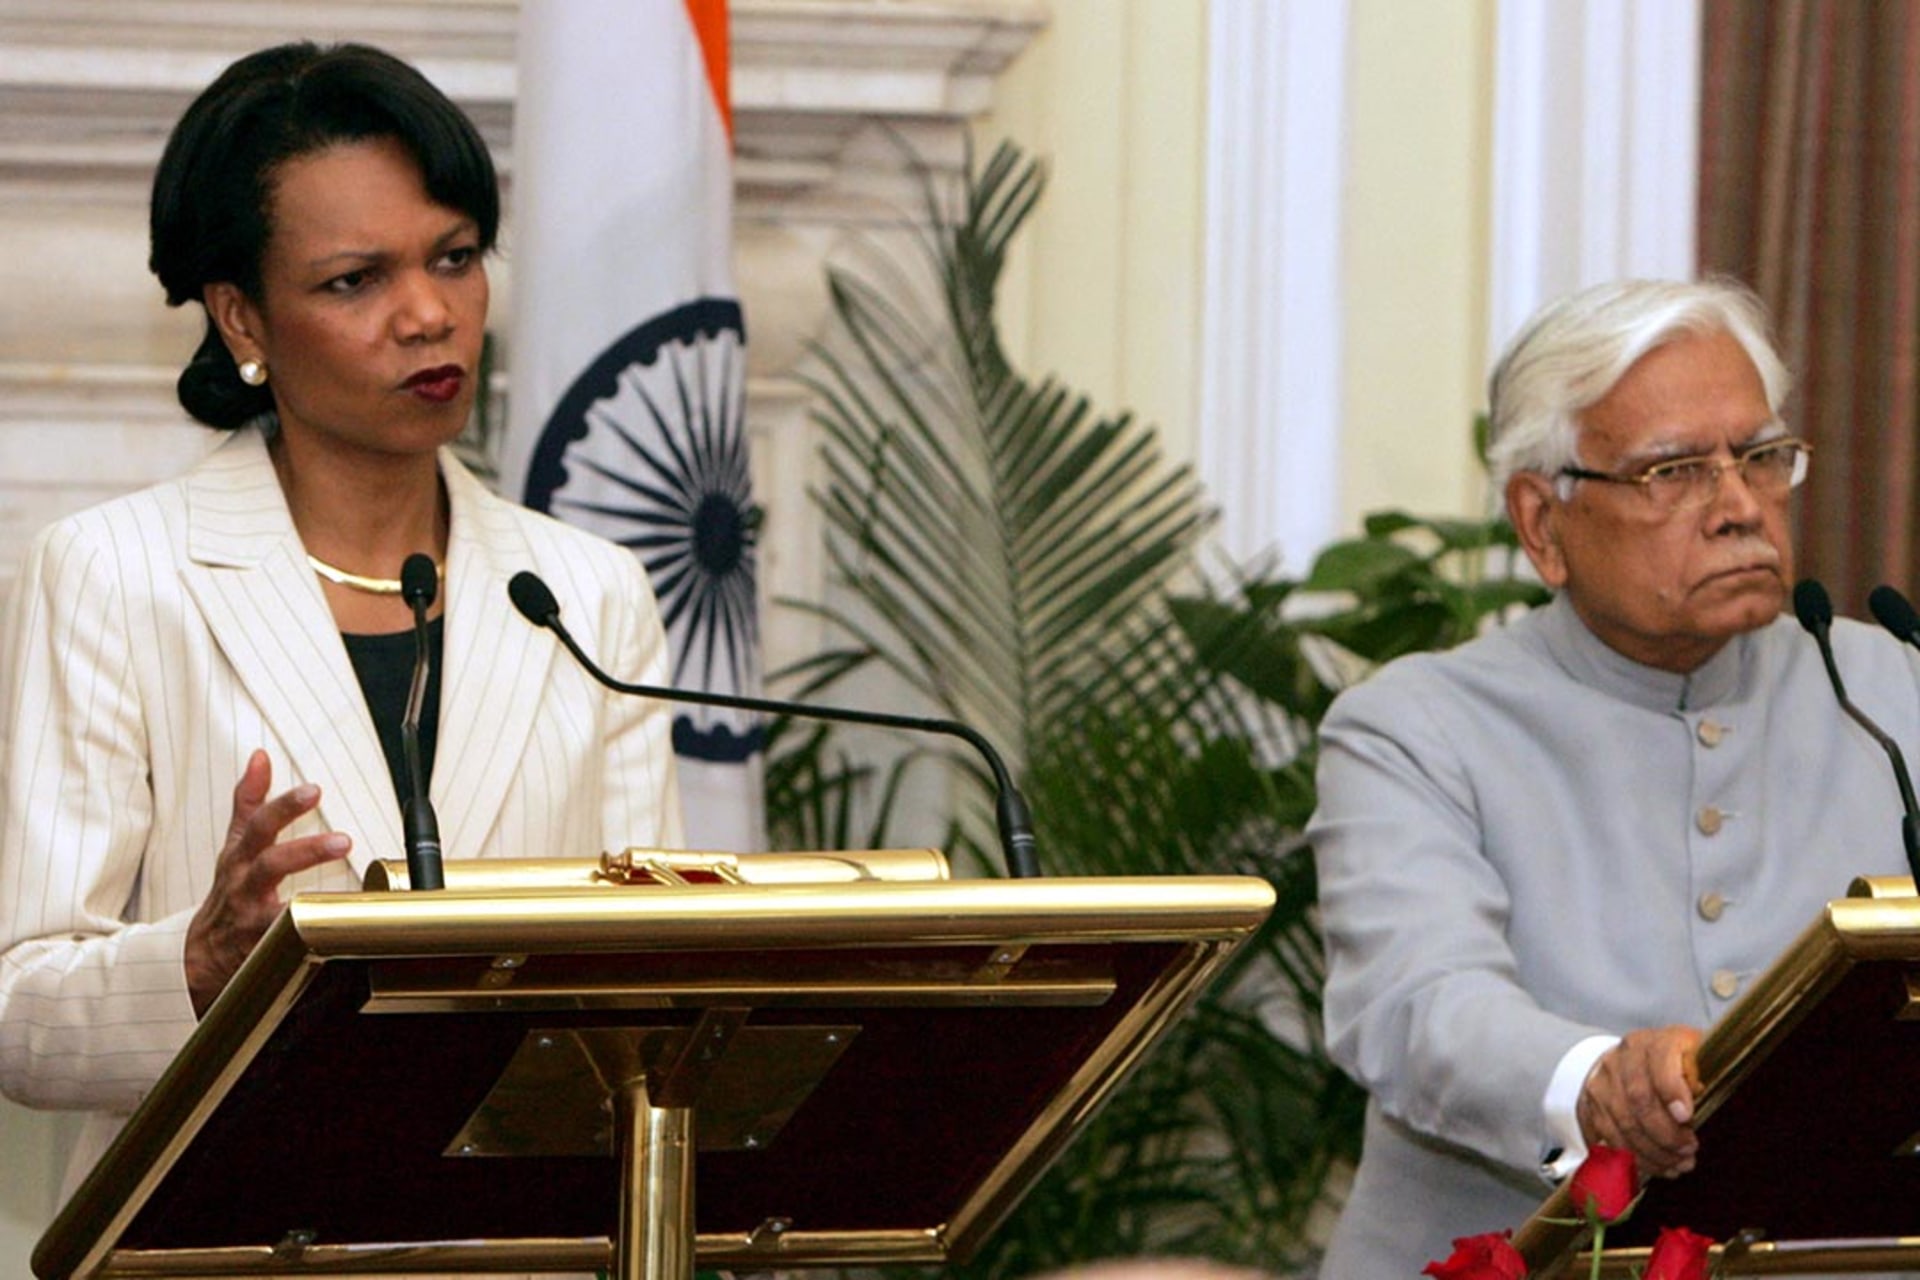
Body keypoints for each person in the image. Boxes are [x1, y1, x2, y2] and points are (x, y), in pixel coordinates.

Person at [0, 42, 682, 1200]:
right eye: (354, 280)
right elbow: (19, 1009)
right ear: (241, 319)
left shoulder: (587, 591)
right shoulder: (117, 573)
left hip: (517, 1241)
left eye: (455, 258)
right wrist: (199, 961)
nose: (429, 314)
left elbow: (652, 964)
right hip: (226, 1241)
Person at [1307, 278, 1920, 1277]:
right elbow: (1419, 1000)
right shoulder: (1413, 726)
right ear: (1542, 522)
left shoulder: (1890, 685)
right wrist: (1593, 1082)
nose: (1737, 507)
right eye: (1673, 470)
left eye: (1761, 457)